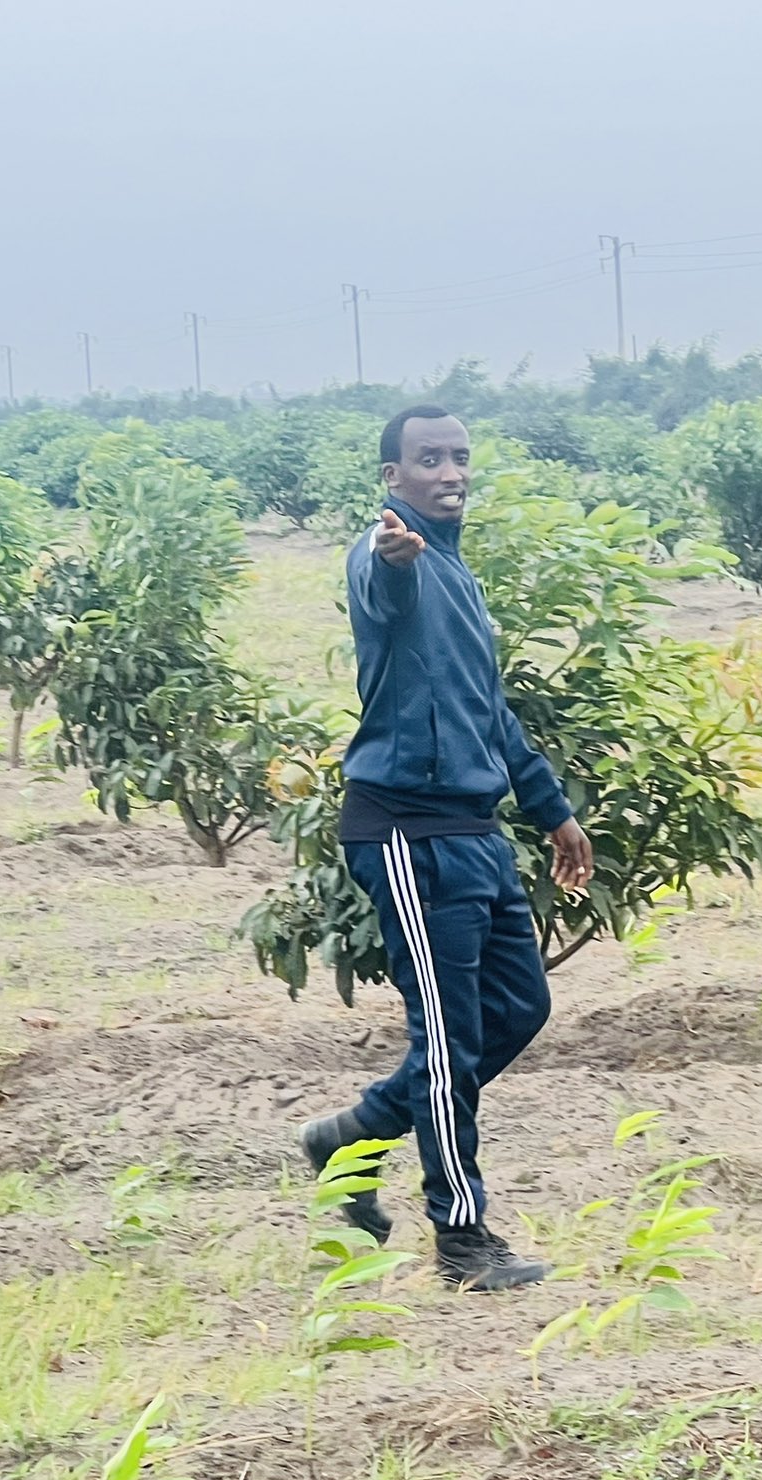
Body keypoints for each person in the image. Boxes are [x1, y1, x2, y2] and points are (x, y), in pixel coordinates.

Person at [299, 405, 593, 1291]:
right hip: (404, 831)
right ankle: (461, 1238)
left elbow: (489, 710)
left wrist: (552, 810)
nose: (450, 472)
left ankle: (350, 1138)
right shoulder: (389, 553)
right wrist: (397, 563)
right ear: (393, 476)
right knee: (448, 1038)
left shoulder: (458, 576)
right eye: (429, 459)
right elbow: (384, 590)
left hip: (474, 832)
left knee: (517, 1008)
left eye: (460, 457)